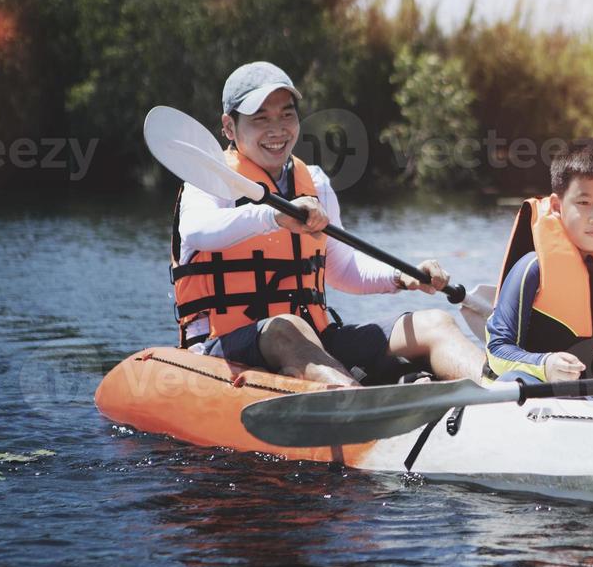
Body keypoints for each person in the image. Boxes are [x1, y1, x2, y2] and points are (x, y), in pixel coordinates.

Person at [170, 61, 486, 387]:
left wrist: (401, 277)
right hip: (223, 347)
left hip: (314, 340)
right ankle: (359, 404)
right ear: (229, 127)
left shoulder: (315, 183)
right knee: (286, 327)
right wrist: (273, 216)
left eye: (287, 115)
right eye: (260, 118)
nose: (277, 129)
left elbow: (344, 269)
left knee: (436, 323)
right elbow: (197, 232)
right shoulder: (208, 179)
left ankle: (506, 396)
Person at [484, 138, 593, 387]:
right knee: (517, 380)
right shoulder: (532, 268)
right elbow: (497, 351)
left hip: (591, 397)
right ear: (556, 206)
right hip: (529, 390)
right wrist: (545, 364)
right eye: (584, 203)